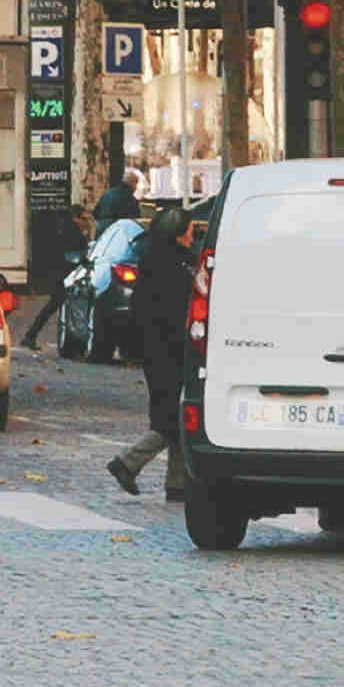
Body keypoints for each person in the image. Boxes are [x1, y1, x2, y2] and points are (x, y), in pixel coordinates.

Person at [105, 204, 204, 497]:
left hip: (159, 348)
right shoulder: (173, 265)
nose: (192, 235)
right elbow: (173, 311)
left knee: (176, 413)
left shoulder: (158, 259)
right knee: (172, 418)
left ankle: (177, 483)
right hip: (169, 349)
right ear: (177, 233)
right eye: (189, 230)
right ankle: (128, 462)